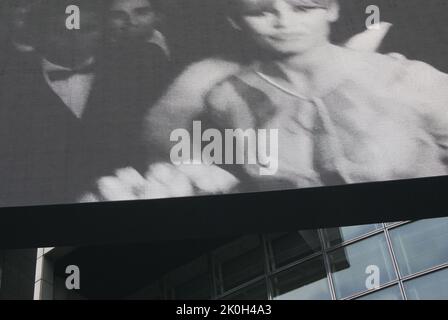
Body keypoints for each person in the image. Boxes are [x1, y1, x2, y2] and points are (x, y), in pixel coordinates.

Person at [200, 0, 448, 190]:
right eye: (261, 12)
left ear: (331, 10)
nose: (284, 22)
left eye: (302, 9)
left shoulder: (406, 77)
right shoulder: (225, 100)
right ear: (235, 20)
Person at [0, 0, 170, 207]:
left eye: (88, 29)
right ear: (37, 34)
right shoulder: (10, 87)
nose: (75, 38)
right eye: (60, 30)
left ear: (103, 31)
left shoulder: (134, 74)